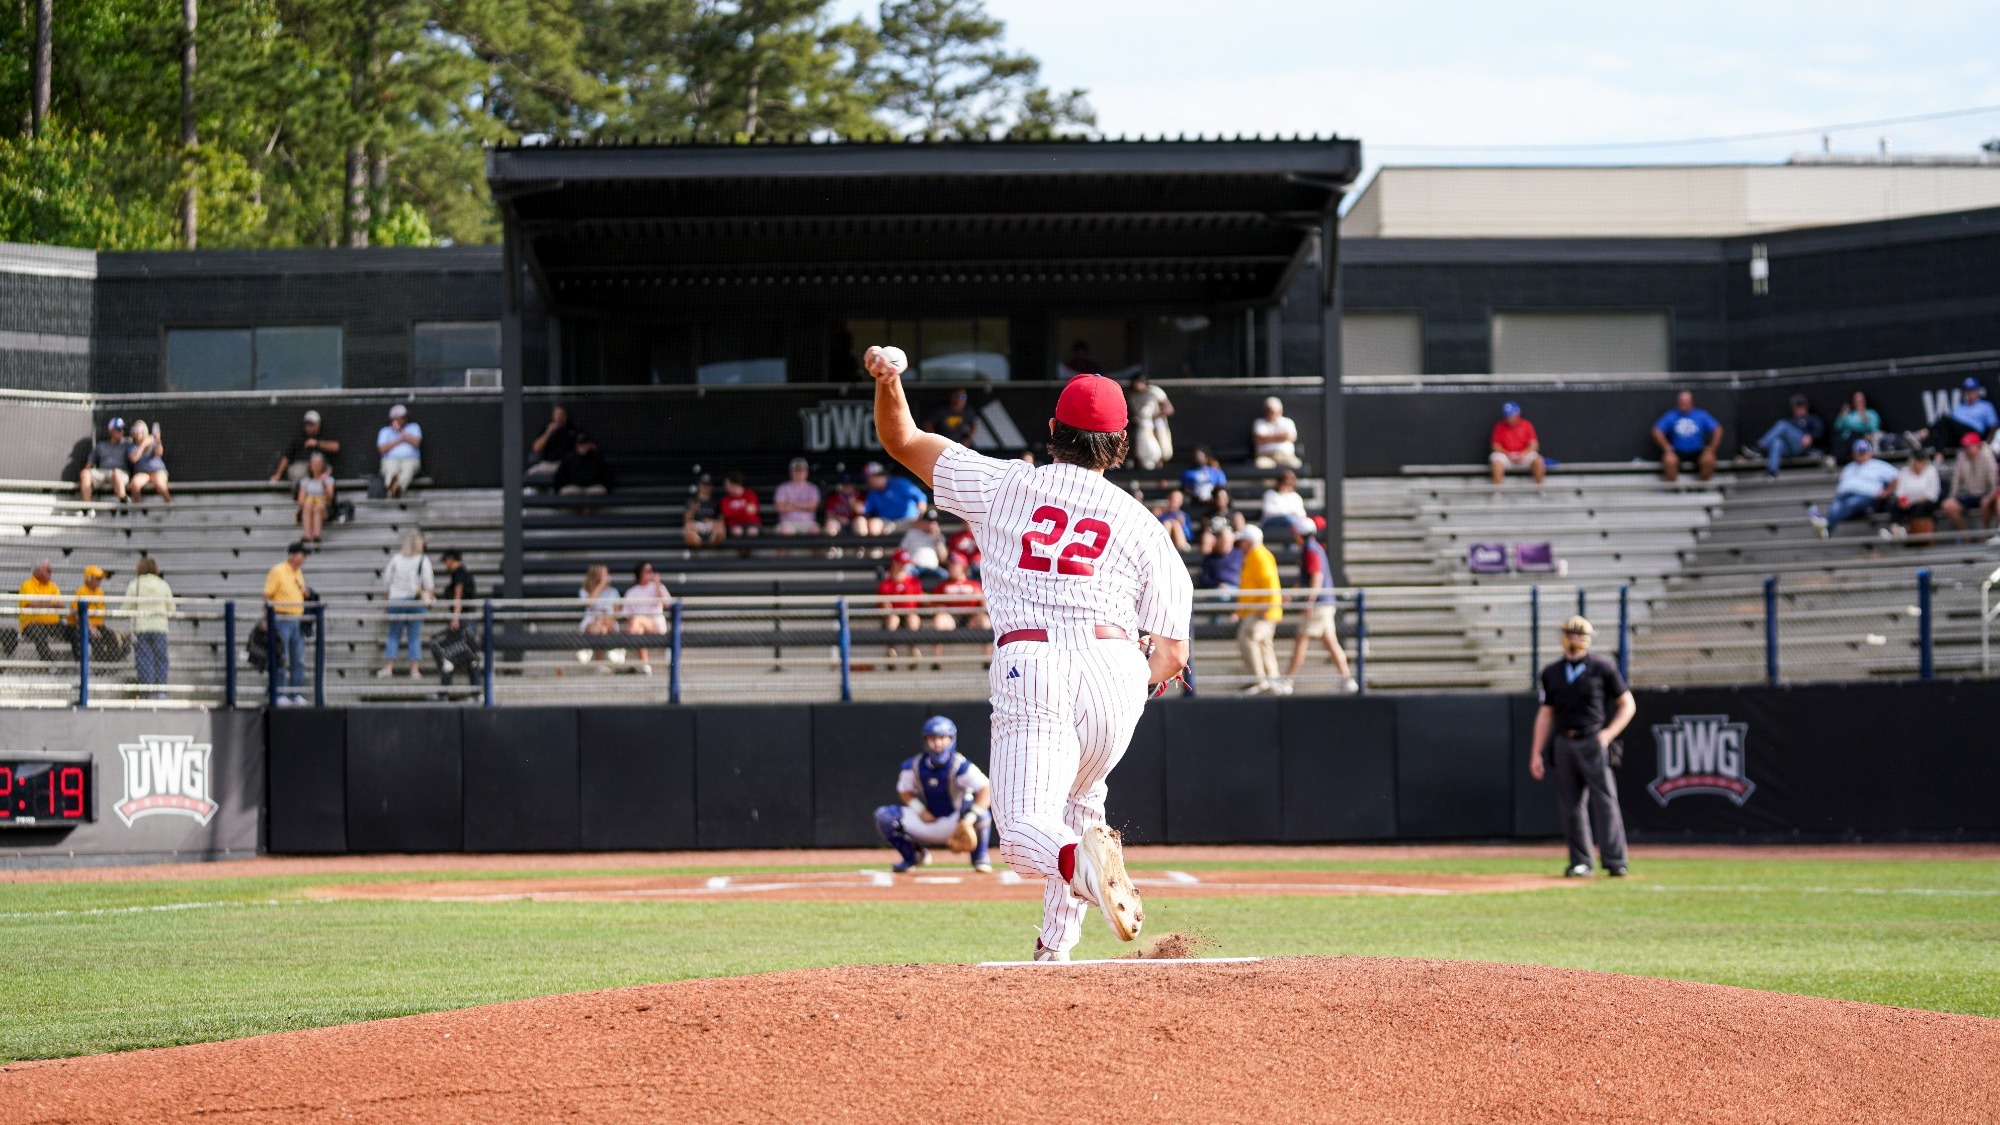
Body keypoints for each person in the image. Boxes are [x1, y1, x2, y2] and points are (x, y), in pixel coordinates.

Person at [864, 346, 1192, 960]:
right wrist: (1130, 690)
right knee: (1078, 809)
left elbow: (901, 438)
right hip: (1119, 672)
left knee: (1020, 835)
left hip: (1036, 661)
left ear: (1051, 431)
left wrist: (889, 379)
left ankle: (1082, 867)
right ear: (1119, 445)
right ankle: (1054, 952)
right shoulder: (1146, 525)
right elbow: (1172, 652)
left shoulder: (1003, 484)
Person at [1529, 615, 1636, 878]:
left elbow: (1627, 704)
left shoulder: (1603, 667)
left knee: (1605, 801)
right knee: (1571, 805)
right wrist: (1536, 752)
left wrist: (1608, 733)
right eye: (1570, 633)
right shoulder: (1552, 672)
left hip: (1592, 740)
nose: (1575, 639)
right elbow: (1546, 713)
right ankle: (1580, 861)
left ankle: (1615, 860)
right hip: (1564, 741)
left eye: (1580, 634)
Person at [874, 716, 994, 873]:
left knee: (982, 814)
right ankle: (914, 856)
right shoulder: (914, 765)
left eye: (942, 738)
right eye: (932, 738)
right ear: (925, 740)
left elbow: (987, 789)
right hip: (929, 821)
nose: (937, 743)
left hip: (957, 822)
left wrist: (969, 818)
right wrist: (920, 810)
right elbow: (903, 790)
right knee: (884, 816)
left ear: (951, 739)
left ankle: (980, 857)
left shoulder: (961, 766)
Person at [1282, 516, 1356, 694]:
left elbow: (1316, 576)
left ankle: (1287, 681)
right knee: (1331, 643)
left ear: (1301, 534)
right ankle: (1347, 680)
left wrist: (1310, 601)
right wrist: (1292, 594)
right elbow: (1306, 578)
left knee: (1301, 640)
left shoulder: (1310, 550)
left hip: (1319, 605)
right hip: (1326, 603)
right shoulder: (1314, 549)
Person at [1808, 440, 1899, 538]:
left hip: (1866, 497)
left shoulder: (1878, 465)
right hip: (1843, 496)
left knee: (1851, 503)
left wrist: (1886, 492)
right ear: (1854, 454)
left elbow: (1897, 477)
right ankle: (1825, 531)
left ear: (1869, 453)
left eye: (1863, 452)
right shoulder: (1849, 467)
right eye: (1859, 453)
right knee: (1835, 507)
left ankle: (1824, 523)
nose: (1861, 455)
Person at [1233, 524, 1282, 695]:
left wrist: (1267, 607)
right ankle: (1272, 680)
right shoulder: (1256, 555)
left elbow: (1269, 583)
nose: (1240, 543)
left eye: (1243, 540)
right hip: (1261, 609)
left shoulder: (1259, 555)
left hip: (1262, 610)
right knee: (1263, 643)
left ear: (1249, 541)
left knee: (1248, 637)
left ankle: (1258, 679)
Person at [377, 531, 433, 678]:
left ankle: (389, 668)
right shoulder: (423, 560)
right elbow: (429, 584)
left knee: (393, 635)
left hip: (396, 600)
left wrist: (386, 601)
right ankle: (414, 670)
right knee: (414, 636)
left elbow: (386, 581)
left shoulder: (396, 559)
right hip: (415, 601)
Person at [263, 542, 310, 706]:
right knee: (281, 656)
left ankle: (296, 692)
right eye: (301, 555)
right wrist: (266, 618)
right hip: (281, 617)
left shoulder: (298, 573)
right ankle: (279, 692)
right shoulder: (278, 571)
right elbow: (268, 595)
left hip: (296, 619)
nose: (303, 559)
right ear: (292, 555)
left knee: (298, 658)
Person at [124, 557, 174, 698]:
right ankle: (161, 692)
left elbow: (126, 607)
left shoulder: (136, 584)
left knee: (144, 660)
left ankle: (147, 692)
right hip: (160, 627)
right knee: (161, 660)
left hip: (142, 627)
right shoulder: (163, 584)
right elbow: (171, 608)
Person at [1651, 390, 1723, 483]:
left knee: (1709, 459)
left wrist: (1712, 449)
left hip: (1697, 451)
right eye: (1681, 402)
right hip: (1677, 451)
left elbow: (1718, 430)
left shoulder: (1701, 415)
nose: (1683, 404)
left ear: (1692, 402)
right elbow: (1656, 430)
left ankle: (1702, 486)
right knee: (1668, 460)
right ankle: (1674, 488)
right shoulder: (1671, 415)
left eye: (1686, 402)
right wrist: (1667, 448)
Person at [1752, 394, 1827, 478]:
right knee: (1776, 442)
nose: (1799, 408)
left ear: (1806, 406)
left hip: (1803, 446)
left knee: (1782, 425)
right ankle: (1772, 471)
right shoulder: (1791, 421)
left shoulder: (1812, 419)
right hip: (1790, 449)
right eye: (1797, 406)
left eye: (1801, 405)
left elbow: (1820, 430)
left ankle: (1761, 446)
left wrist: (1811, 436)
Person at [435, 549, 480, 687]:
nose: (445, 564)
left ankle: (448, 691)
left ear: (451, 559)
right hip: (466, 619)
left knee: (455, 654)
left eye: (445, 561)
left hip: (463, 620)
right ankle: (475, 690)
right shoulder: (462, 573)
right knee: (467, 655)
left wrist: (455, 618)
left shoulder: (459, 573)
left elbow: (458, 595)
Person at [1917, 378, 2000, 450]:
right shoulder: (1959, 408)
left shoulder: (1985, 406)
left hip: (1975, 435)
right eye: (1967, 390)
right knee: (1941, 432)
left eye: (1972, 390)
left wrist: (1988, 443)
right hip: (1960, 438)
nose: (1970, 393)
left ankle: (1925, 432)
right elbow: (1950, 427)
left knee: (1945, 419)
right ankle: (1925, 449)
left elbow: (1994, 426)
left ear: (1977, 391)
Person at [1942, 432, 2000, 534]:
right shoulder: (1961, 457)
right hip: (1969, 495)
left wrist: (1989, 497)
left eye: (1969, 446)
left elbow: (1994, 484)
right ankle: (1966, 534)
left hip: (1985, 493)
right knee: (1947, 505)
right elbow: (1956, 481)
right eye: (1965, 446)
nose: (1966, 449)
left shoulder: (1987, 457)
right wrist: (1952, 497)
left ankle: (1986, 534)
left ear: (1977, 446)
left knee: (1986, 502)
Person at [876, 550, 926, 669]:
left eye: (905, 563)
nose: (904, 566)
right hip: (893, 616)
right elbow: (882, 606)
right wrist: (885, 606)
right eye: (901, 563)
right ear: (895, 563)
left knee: (912, 619)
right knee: (893, 620)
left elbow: (921, 600)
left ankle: (913, 651)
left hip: (910, 615)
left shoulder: (914, 581)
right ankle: (891, 651)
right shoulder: (886, 584)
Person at [623, 561, 671, 675]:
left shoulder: (658, 587)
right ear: (640, 573)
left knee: (638, 620)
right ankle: (645, 665)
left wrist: (658, 584)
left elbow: (667, 604)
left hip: (655, 623)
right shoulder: (631, 592)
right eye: (648, 571)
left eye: (652, 571)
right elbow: (626, 614)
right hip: (638, 625)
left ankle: (623, 646)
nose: (651, 573)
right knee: (639, 629)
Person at [69, 565, 125, 662]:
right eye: (97, 579)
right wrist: (90, 627)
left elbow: (102, 611)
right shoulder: (81, 591)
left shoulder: (100, 592)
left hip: (98, 625)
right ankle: (100, 667)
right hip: (84, 625)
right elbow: (76, 614)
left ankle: (109, 665)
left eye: (100, 579)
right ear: (89, 578)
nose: (100, 581)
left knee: (112, 638)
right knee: (96, 640)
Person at [15, 559, 68, 662]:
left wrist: (44, 603)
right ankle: (51, 665)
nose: (50, 572)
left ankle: (80, 666)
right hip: (32, 624)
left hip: (52, 623)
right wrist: (52, 603)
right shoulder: (27, 585)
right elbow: (32, 604)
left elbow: (61, 605)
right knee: (38, 633)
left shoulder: (53, 586)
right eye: (47, 570)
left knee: (73, 630)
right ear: (37, 571)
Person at [1882, 448, 1940, 539]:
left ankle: (1905, 529)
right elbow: (1900, 491)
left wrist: (1912, 502)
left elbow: (1932, 494)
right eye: (1917, 460)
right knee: (1893, 504)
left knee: (1921, 507)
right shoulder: (1905, 471)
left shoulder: (1931, 471)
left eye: (1921, 460)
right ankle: (1894, 529)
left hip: (1923, 503)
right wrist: (1904, 501)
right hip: (1907, 502)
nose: (1919, 463)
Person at [575, 564, 622, 672]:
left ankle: (588, 649)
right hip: (591, 623)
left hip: (609, 622)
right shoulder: (585, 590)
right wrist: (601, 585)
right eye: (604, 574)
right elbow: (589, 603)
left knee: (603, 623)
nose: (607, 576)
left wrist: (605, 616)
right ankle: (612, 649)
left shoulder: (613, 591)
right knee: (601, 629)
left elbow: (617, 612)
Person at [272, 410, 341, 483]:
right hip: (302, 468)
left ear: (319, 424)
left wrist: (317, 444)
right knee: (295, 472)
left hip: (322, 469)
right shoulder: (299, 439)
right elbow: (286, 457)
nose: (309, 427)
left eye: (312, 424)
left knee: (318, 462)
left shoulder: (324, 436)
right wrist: (278, 474)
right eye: (307, 424)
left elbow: (336, 447)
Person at [860, 461, 927, 536]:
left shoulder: (899, 483)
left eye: (872, 477)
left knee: (923, 525)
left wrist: (920, 517)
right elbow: (865, 510)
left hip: (907, 520)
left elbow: (921, 498)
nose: (870, 481)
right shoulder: (873, 493)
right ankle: (876, 547)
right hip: (888, 522)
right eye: (868, 478)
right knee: (874, 523)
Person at [1489, 402, 1545, 487]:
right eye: (1507, 416)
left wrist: (1523, 454)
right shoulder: (1499, 426)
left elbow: (1534, 444)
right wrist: (1508, 454)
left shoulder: (1526, 425)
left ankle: (1540, 488)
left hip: (1523, 454)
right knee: (1496, 460)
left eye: (1511, 415)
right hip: (1507, 455)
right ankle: (1497, 491)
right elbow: (1495, 445)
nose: (1509, 418)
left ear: (1517, 413)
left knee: (1538, 460)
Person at [934, 552, 989, 637]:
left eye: (955, 565)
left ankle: (989, 651)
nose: (951, 567)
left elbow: (986, 607)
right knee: (939, 620)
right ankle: (937, 650)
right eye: (949, 565)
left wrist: (979, 596)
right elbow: (935, 605)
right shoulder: (942, 586)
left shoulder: (975, 585)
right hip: (950, 616)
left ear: (963, 566)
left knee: (985, 622)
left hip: (971, 617)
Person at [526, 405, 581, 489]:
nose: (559, 417)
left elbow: (582, 446)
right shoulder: (547, 429)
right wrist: (548, 433)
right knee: (530, 474)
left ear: (565, 416)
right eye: (557, 414)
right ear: (553, 416)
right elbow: (536, 449)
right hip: (548, 464)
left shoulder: (573, 429)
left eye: (561, 414)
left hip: (566, 464)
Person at [1127, 373, 1174, 470]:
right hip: (1142, 425)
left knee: (1164, 450)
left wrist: (1152, 417)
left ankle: (1161, 471)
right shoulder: (1133, 396)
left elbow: (1169, 409)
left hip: (1158, 423)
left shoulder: (1154, 391)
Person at [80, 418, 132, 504]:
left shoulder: (128, 444)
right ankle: (87, 508)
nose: (122, 431)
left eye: (123, 429)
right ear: (111, 430)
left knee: (116, 472)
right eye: (119, 429)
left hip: (120, 473)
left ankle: (123, 502)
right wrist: (83, 477)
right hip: (102, 472)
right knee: (84, 473)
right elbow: (89, 464)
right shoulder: (101, 446)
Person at [376, 404, 423, 498]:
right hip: (390, 459)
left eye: (405, 416)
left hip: (410, 459)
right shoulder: (385, 431)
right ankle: (394, 489)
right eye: (402, 417)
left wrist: (400, 431)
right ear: (394, 418)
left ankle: (396, 489)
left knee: (408, 470)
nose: (405, 418)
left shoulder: (414, 427)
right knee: (391, 470)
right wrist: (400, 440)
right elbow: (381, 449)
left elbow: (417, 442)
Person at [897, 509, 950, 585]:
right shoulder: (912, 534)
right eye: (928, 521)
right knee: (905, 573)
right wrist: (909, 560)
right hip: (914, 566)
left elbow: (943, 559)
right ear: (922, 522)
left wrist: (937, 539)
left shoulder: (940, 537)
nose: (931, 524)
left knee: (945, 575)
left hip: (932, 568)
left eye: (934, 522)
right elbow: (901, 551)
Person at [773, 458, 822, 538]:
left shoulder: (813, 488)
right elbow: (780, 507)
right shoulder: (782, 488)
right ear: (791, 472)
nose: (799, 473)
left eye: (802, 470)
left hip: (808, 523)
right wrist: (804, 505)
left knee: (815, 531)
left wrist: (791, 504)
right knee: (784, 531)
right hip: (787, 523)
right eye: (796, 470)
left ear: (806, 472)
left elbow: (812, 506)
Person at [126, 420, 171, 504]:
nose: (137, 433)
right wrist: (143, 444)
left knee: (160, 484)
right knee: (134, 484)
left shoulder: (153, 441)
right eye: (135, 430)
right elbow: (133, 459)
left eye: (139, 430)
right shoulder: (132, 446)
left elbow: (159, 453)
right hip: (143, 472)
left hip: (157, 471)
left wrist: (158, 440)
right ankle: (140, 508)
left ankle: (169, 505)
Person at [295, 451, 335, 544]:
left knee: (318, 507)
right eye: (314, 464)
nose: (316, 466)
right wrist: (309, 502)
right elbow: (300, 501)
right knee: (308, 505)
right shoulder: (305, 481)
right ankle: (307, 535)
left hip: (324, 507)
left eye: (319, 464)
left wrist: (323, 483)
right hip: (308, 506)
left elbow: (330, 499)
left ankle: (317, 535)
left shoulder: (329, 480)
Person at [1258, 469, 1308, 541]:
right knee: (1289, 520)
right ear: (1279, 483)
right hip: (1269, 523)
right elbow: (1268, 511)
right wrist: (1289, 512)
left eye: (1289, 484)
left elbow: (1302, 514)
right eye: (1284, 483)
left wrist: (1290, 514)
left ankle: (1291, 550)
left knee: (1292, 524)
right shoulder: (1270, 494)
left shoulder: (1296, 497)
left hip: (1290, 525)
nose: (1286, 486)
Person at [1252, 397, 1301, 469]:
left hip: (1286, 456)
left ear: (1281, 411)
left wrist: (1267, 438)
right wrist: (1281, 437)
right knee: (1260, 466)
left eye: (1275, 411)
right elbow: (1258, 439)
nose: (1273, 414)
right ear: (1266, 411)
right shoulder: (1259, 423)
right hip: (1265, 456)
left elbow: (1290, 437)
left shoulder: (1288, 422)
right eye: (1270, 411)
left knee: (1296, 465)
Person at [682, 474, 725, 548]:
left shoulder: (716, 501)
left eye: (708, 485)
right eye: (703, 484)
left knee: (721, 528)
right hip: (697, 525)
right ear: (699, 485)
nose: (706, 487)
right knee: (688, 527)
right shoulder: (692, 501)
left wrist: (713, 522)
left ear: (711, 487)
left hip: (711, 524)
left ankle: (712, 543)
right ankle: (698, 543)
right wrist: (693, 509)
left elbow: (721, 519)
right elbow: (687, 519)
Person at [1199, 488, 1243, 555]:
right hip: (1214, 540)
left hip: (1229, 540)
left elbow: (1240, 533)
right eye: (1218, 497)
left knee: (1226, 535)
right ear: (1214, 498)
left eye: (1223, 497)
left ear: (1228, 498)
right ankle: (1205, 561)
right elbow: (1206, 530)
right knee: (1206, 537)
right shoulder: (1206, 516)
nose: (1221, 500)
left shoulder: (1236, 515)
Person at [821, 475, 866, 540]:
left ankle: (861, 548)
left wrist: (854, 504)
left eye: (849, 485)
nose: (847, 488)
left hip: (854, 524)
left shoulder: (860, 496)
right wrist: (839, 518)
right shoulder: (833, 498)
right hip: (839, 525)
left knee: (860, 521)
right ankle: (832, 549)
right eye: (845, 485)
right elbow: (828, 514)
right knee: (831, 523)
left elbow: (864, 512)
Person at [719, 471, 761, 538]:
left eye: (727, 484)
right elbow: (727, 514)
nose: (725, 487)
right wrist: (744, 510)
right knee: (737, 531)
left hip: (752, 523)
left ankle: (748, 549)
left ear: (733, 484)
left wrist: (735, 512)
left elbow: (751, 511)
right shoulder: (725, 499)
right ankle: (740, 549)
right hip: (734, 525)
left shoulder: (750, 494)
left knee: (752, 531)